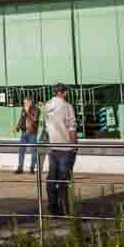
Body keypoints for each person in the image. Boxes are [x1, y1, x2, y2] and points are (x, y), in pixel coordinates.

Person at [43, 83, 77, 216]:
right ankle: (66, 209)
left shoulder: (47, 106)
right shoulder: (67, 106)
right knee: (64, 180)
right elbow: (72, 127)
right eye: (66, 92)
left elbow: (46, 126)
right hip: (65, 147)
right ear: (63, 92)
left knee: (52, 178)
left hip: (53, 147)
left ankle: (53, 207)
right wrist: (74, 146)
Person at [14, 97, 39, 174]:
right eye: (24, 103)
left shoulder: (36, 109)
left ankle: (32, 168)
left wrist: (27, 111)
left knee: (34, 151)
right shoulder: (23, 109)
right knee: (21, 150)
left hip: (32, 132)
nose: (24, 104)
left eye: (26, 102)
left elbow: (34, 119)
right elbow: (21, 119)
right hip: (24, 132)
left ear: (30, 102)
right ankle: (20, 167)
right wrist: (17, 127)